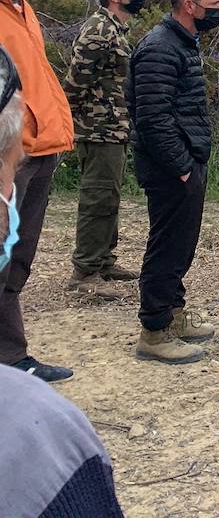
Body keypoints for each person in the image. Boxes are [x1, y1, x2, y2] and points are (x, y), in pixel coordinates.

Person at [0, 47, 125, 517]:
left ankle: (13, 353)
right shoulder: (38, 435)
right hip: (66, 138)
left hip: (47, 142)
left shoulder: (24, 11)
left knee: (16, 266)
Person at [127, 0, 219, 364]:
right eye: (212, 6)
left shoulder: (182, 43)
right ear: (189, 5)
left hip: (186, 160)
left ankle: (174, 315)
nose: (217, 12)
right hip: (171, 167)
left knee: (181, 244)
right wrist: (181, 166)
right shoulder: (159, 48)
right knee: (166, 246)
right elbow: (152, 117)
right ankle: (154, 329)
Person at [0, 0, 76, 382]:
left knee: (18, 257)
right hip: (11, 156)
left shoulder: (23, 9)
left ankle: (11, 355)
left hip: (42, 148)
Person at [63, 0, 144, 293]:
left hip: (113, 127)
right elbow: (75, 82)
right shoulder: (98, 29)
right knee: (97, 198)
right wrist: (70, 123)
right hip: (97, 129)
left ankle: (103, 260)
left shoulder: (115, 28)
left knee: (109, 196)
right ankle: (85, 271)